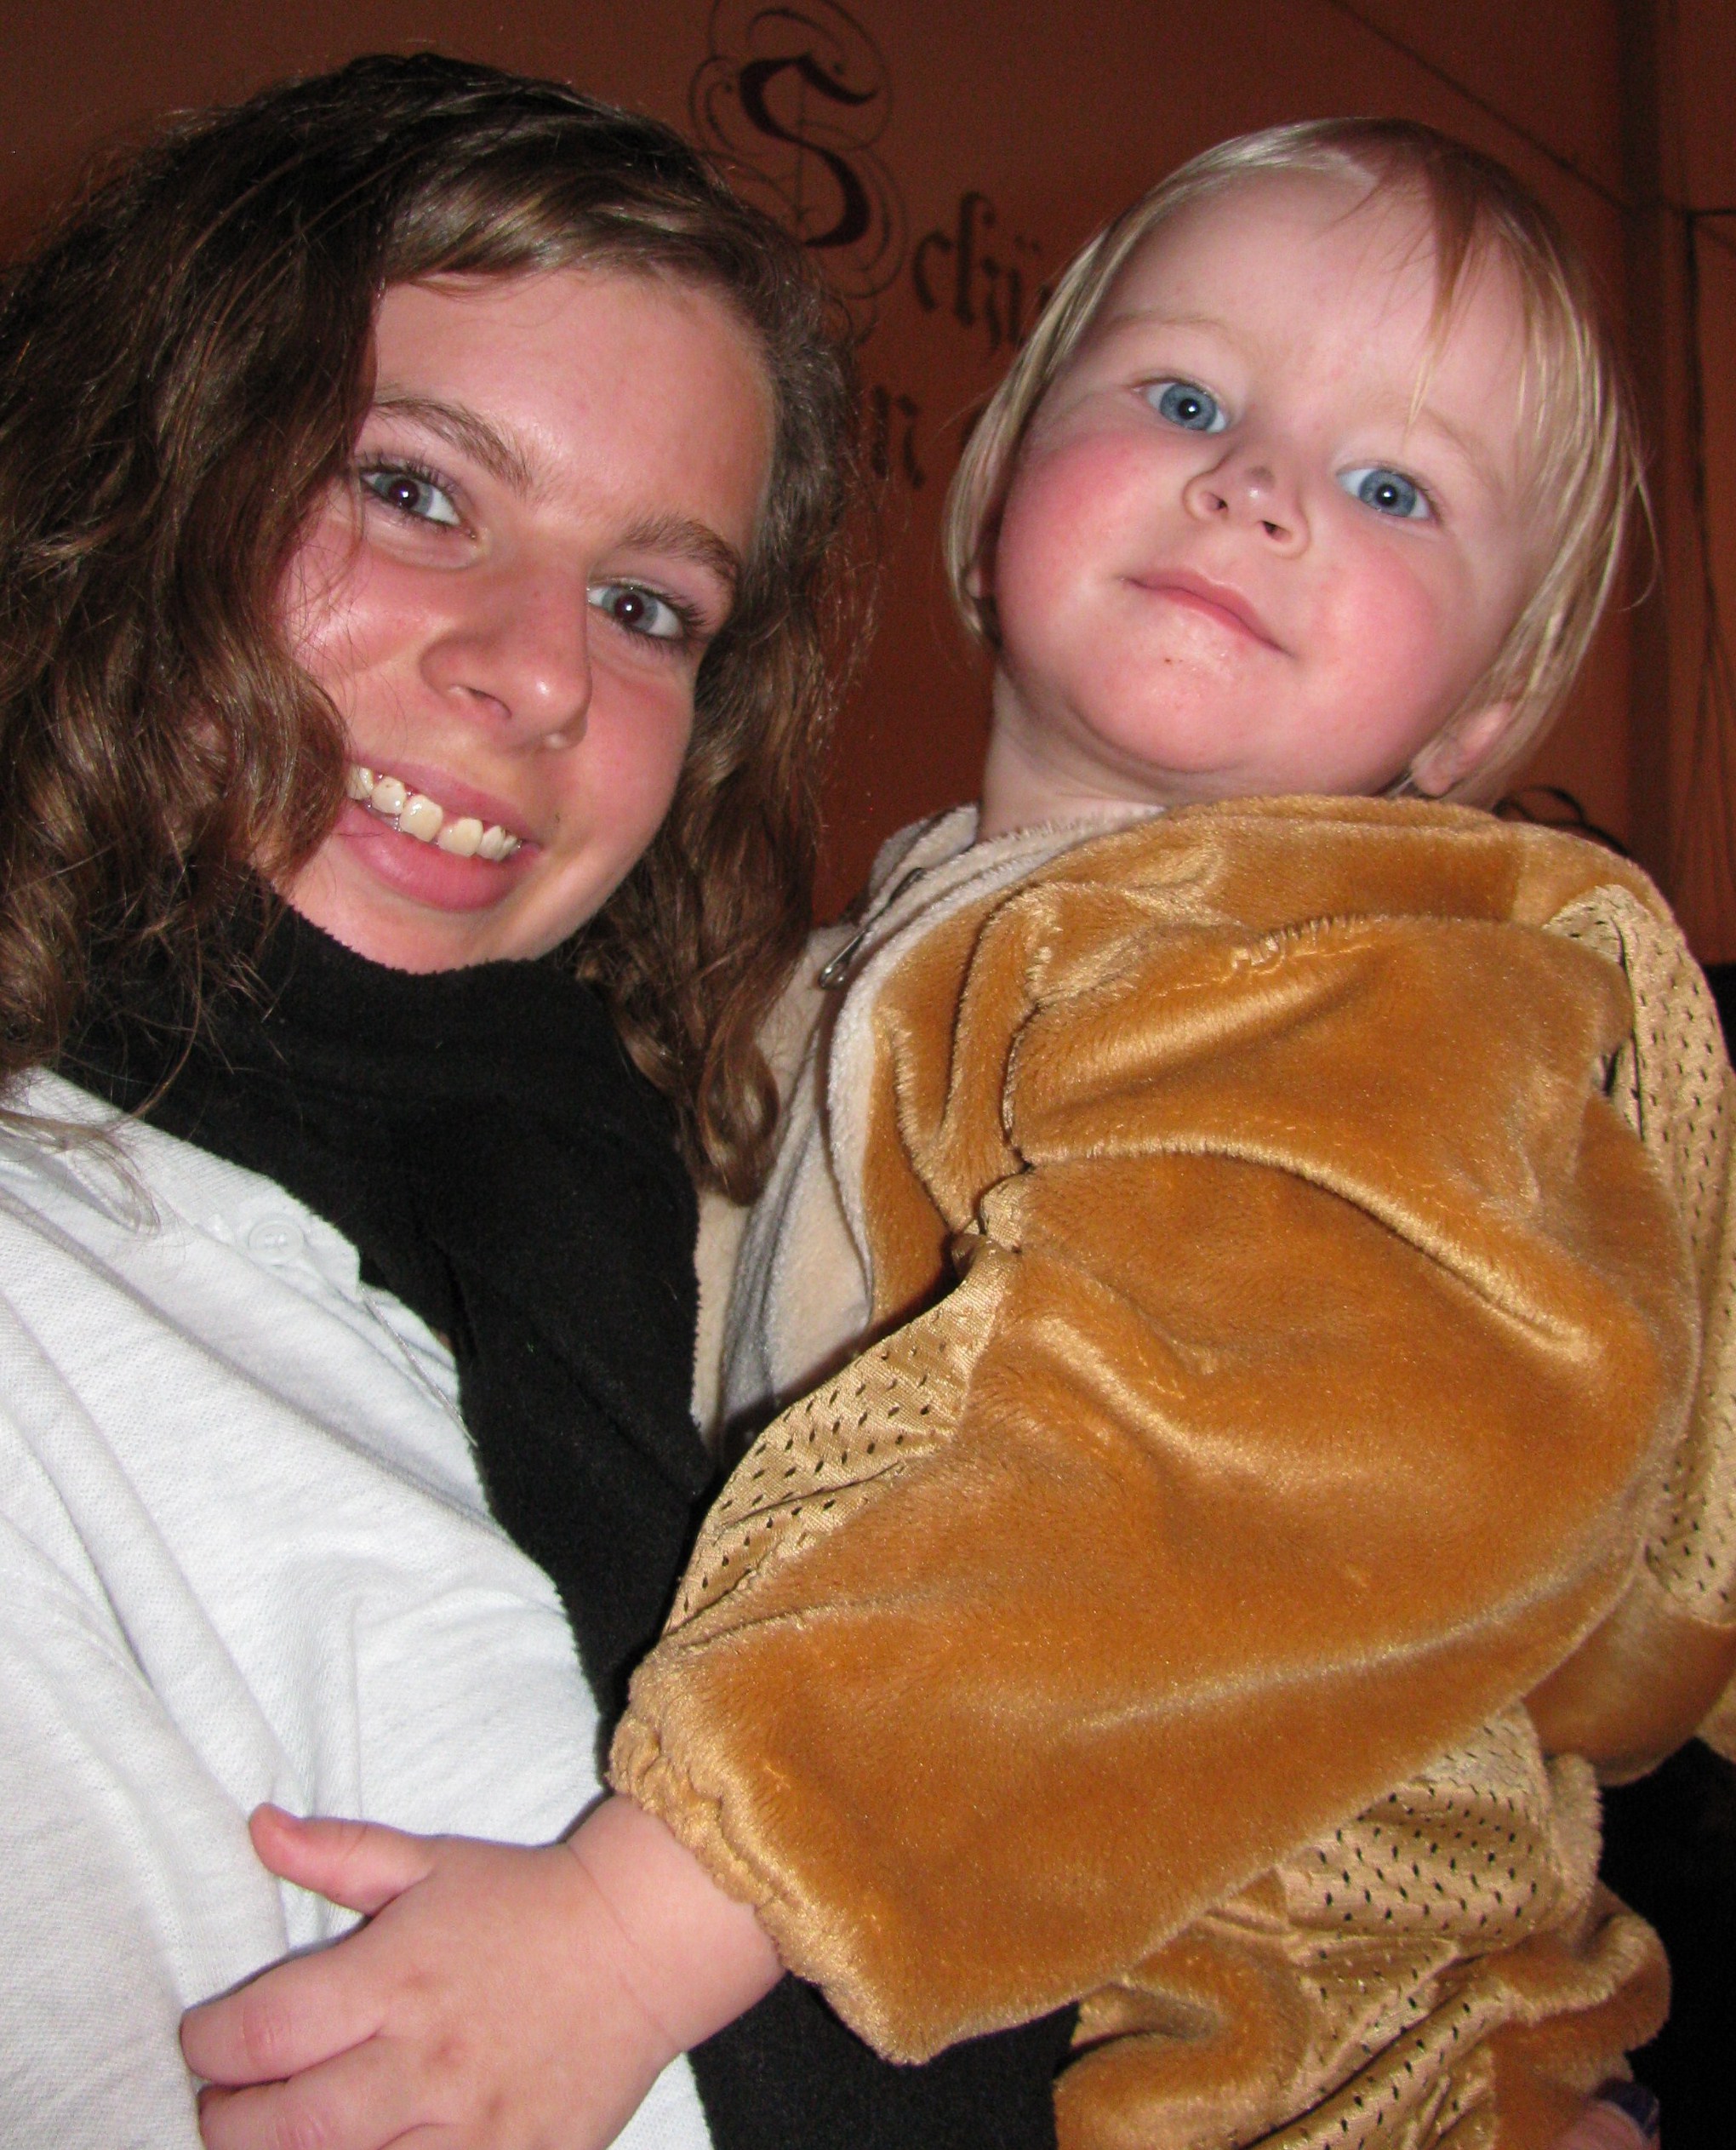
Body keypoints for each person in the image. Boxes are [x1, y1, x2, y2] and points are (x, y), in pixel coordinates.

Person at [185, 119, 1728, 2150]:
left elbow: (1168, 1477)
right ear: (997, 488)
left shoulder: (1392, 1001)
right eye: (1186, 400)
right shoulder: (832, 979)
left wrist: (638, 1932)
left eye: (1393, 490)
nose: (1257, 489)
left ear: (1478, 716)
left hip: (1324, 2058)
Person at [0, 54, 1074, 2150]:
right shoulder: (57, 1289)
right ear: (143, 468)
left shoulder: (688, 1256)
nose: (547, 673)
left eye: (648, 604)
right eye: (416, 492)